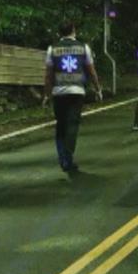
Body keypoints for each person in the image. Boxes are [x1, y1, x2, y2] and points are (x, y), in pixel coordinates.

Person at [43, 22, 102, 173]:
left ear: (59, 33)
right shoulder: (84, 47)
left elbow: (49, 75)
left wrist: (46, 94)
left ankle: (63, 157)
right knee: (73, 123)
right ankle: (68, 156)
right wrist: (97, 89)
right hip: (77, 91)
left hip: (59, 92)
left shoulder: (52, 49)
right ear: (73, 31)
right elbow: (91, 70)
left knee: (61, 125)